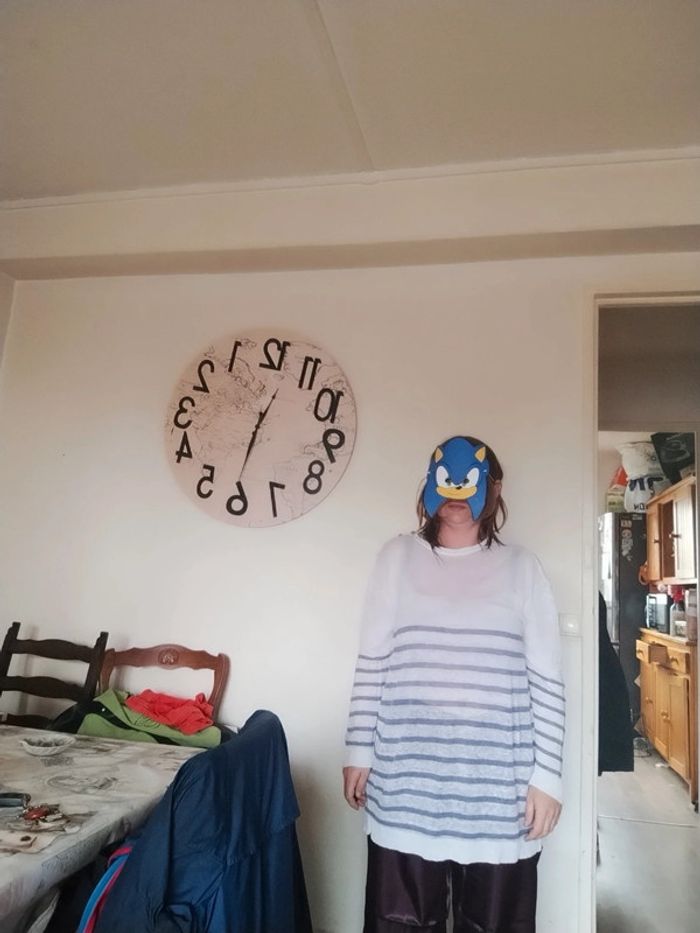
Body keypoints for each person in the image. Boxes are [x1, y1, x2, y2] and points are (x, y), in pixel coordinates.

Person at [343, 436, 565, 933]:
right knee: (399, 922)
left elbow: (547, 678)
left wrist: (548, 778)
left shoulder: (523, 568)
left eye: (472, 480)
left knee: (493, 924)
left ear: (495, 488)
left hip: (499, 790)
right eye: (446, 478)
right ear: (429, 484)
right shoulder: (397, 557)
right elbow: (373, 660)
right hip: (407, 783)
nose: (457, 493)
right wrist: (358, 750)